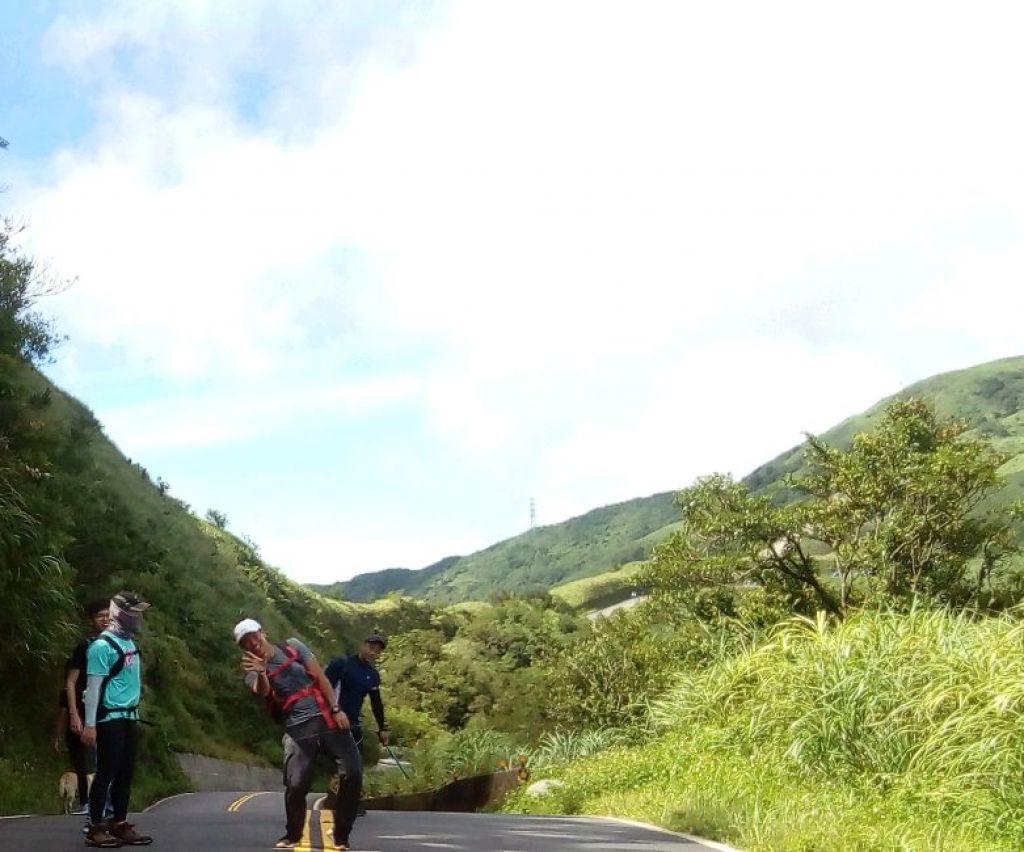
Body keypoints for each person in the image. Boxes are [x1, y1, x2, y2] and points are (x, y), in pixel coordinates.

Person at [234, 618, 362, 851]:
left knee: (353, 772)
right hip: (297, 728)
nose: (252, 643)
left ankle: (342, 836)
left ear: (263, 632)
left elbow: (320, 677)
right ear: (243, 648)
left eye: (254, 636)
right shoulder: (251, 672)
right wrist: (262, 673)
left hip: (328, 718)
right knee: (296, 784)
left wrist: (337, 708)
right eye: (245, 642)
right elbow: (262, 691)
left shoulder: (292, 646)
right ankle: (292, 835)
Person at [81, 591, 153, 848]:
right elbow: (94, 688)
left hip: (129, 717)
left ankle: (119, 822)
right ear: (119, 613)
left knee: (125, 774)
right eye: (132, 613)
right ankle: (95, 826)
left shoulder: (130, 643)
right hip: (109, 718)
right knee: (106, 773)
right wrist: (90, 724)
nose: (137, 618)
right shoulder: (102, 646)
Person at [53, 600, 109, 816]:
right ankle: (87, 801)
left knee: (103, 759)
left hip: (105, 709)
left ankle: (103, 802)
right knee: (80, 758)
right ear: (91, 620)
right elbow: (70, 683)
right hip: (82, 707)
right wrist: (74, 715)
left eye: (108, 615)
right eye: (99, 615)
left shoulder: (117, 645)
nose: (104, 619)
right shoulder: (84, 647)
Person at [324, 633, 390, 755]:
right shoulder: (341, 664)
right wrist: (333, 711)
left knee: (355, 768)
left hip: (352, 723)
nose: (373, 653)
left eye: (377, 651)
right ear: (363, 646)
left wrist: (382, 728)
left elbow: (376, 703)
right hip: (331, 718)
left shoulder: (373, 675)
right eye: (371, 648)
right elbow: (322, 688)